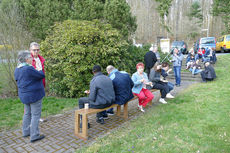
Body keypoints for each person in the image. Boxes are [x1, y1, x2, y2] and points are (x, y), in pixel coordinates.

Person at [14, 51, 45, 143]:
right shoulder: (28, 69)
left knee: (27, 113)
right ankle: (34, 135)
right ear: (27, 59)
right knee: (35, 115)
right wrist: (39, 68)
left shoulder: (17, 69)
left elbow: (18, 80)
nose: (32, 59)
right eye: (31, 58)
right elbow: (41, 75)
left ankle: (26, 132)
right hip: (34, 95)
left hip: (24, 96)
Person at [29, 42, 46, 122]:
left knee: (39, 102)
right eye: (34, 50)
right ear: (30, 50)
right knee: (31, 104)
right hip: (33, 85)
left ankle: (37, 117)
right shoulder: (28, 59)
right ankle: (31, 119)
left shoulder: (41, 59)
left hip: (41, 83)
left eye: (37, 50)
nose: (36, 52)